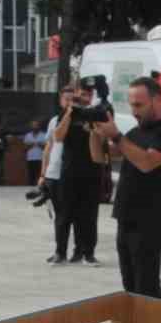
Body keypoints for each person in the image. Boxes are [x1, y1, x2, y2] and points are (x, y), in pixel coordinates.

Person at [93, 76, 161, 295]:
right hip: (126, 218)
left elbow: (146, 163)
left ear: (158, 101)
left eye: (139, 105)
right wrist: (95, 131)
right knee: (130, 286)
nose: (134, 111)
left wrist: (115, 135)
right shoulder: (135, 133)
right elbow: (99, 157)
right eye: (131, 105)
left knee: (147, 289)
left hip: (149, 222)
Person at [55, 83, 104, 264]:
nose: (81, 99)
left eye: (86, 95)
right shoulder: (66, 114)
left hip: (91, 171)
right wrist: (69, 113)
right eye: (79, 95)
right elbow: (58, 137)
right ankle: (60, 252)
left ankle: (87, 253)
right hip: (69, 171)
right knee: (65, 214)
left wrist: (92, 125)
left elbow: (102, 137)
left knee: (89, 215)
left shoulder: (95, 113)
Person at [40, 89, 72, 264]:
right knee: (59, 216)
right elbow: (49, 147)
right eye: (66, 99)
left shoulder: (80, 120)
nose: (69, 103)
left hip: (71, 174)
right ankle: (60, 251)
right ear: (61, 100)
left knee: (69, 215)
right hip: (54, 173)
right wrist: (43, 174)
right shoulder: (54, 121)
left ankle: (79, 251)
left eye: (72, 99)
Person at [23, 118, 46, 186]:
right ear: (31, 126)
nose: (35, 127)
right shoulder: (28, 135)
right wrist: (32, 145)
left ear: (39, 126)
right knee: (31, 175)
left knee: (40, 175)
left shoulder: (43, 135)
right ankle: (30, 187)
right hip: (30, 158)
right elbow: (25, 148)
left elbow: (46, 147)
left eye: (36, 125)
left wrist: (39, 145)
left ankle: (40, 188)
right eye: (33, 125)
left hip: (40, 158)